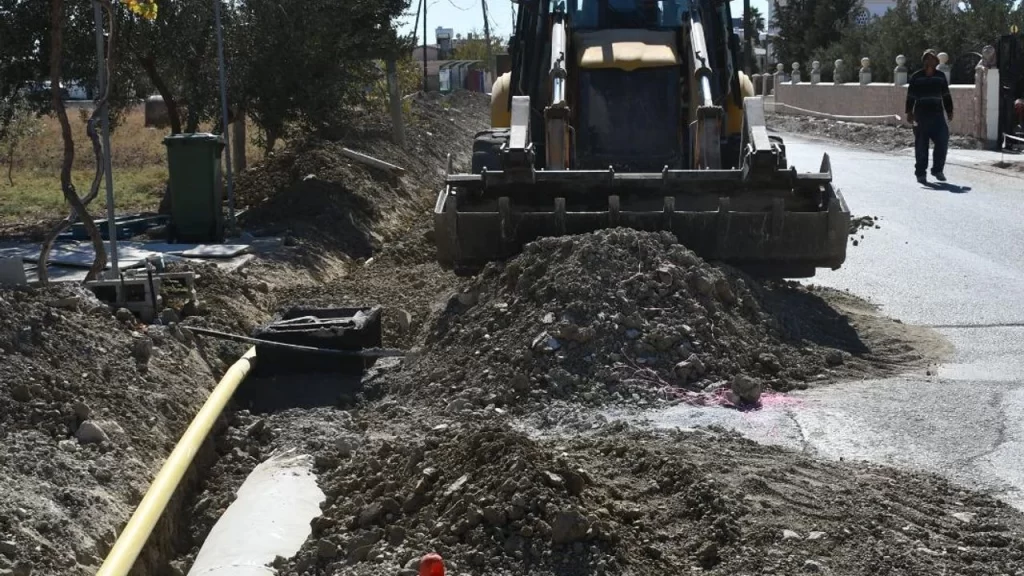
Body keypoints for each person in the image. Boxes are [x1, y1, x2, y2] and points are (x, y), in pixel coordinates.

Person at [905, 49, 954, 183]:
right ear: (923, 61)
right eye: (927, 58)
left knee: (943, 140)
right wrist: (909, 112)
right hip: (921, 115)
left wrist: (949, 110)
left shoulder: (940, 76)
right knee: (921, 145)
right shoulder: (916, 77)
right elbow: (911, 95)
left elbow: (946, 94)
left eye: (932, 58)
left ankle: (938, 170)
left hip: (937, 114)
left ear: (936, 61)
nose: (929, 61)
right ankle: (921, 173)